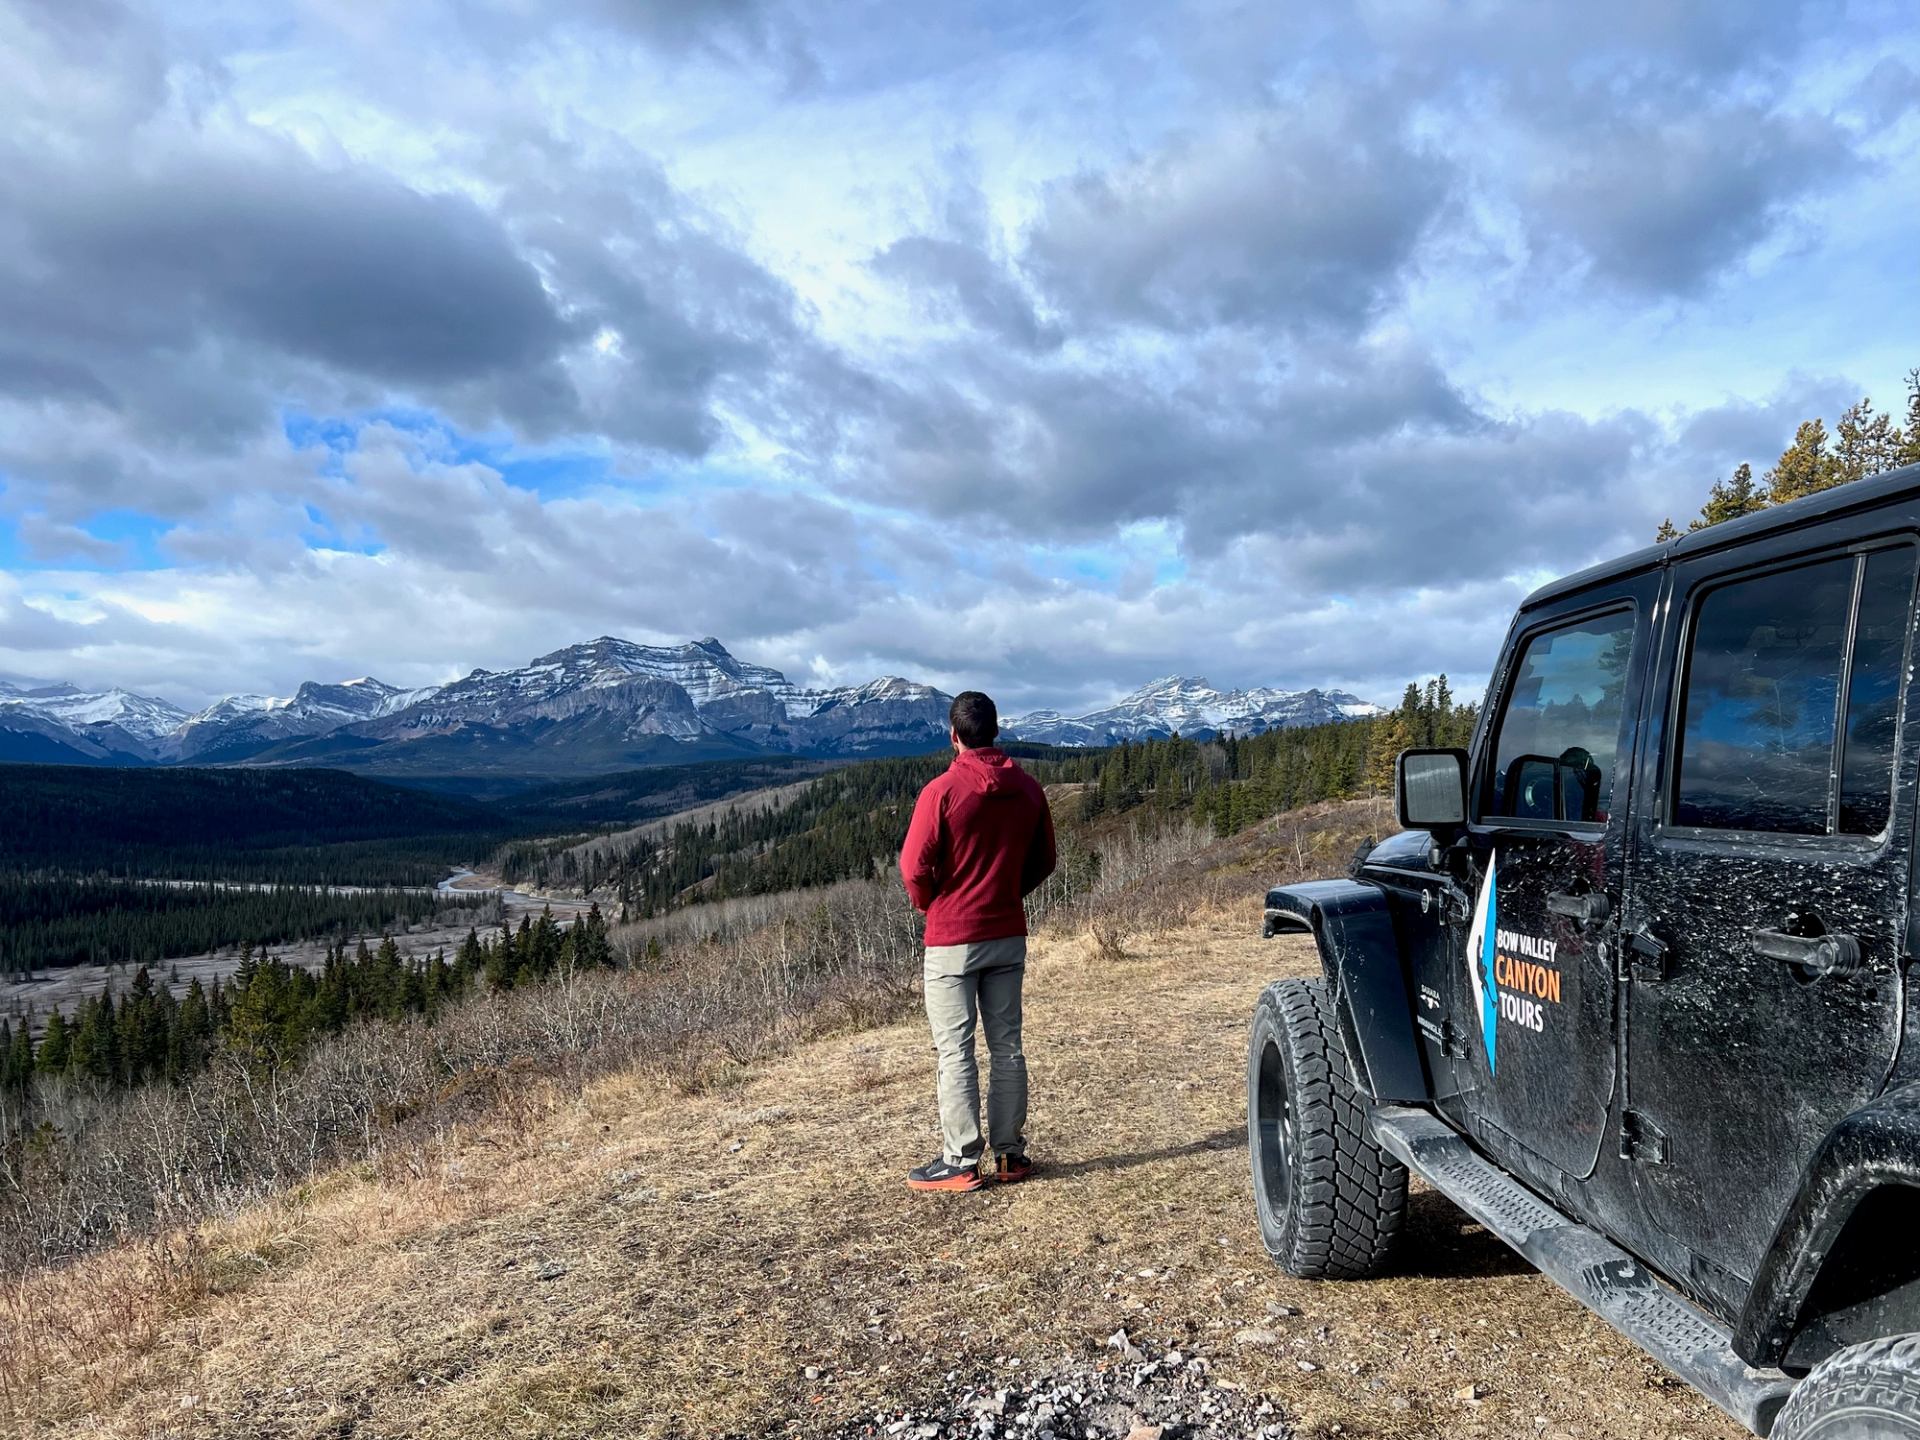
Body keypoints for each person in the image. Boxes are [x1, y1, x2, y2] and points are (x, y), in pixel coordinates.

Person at [898, 691, 1057, 1192]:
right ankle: (1010, 1155)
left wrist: (932, 905)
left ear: (954, 735)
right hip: (1007, 932)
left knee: (955, 1051)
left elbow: (913, 867)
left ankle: (961, 1160)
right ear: (996, 730)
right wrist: (1009, 891)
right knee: (1007, 1045)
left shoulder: (941, 792)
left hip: (952, 938)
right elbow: (1045, 860)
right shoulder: (1029, 790)